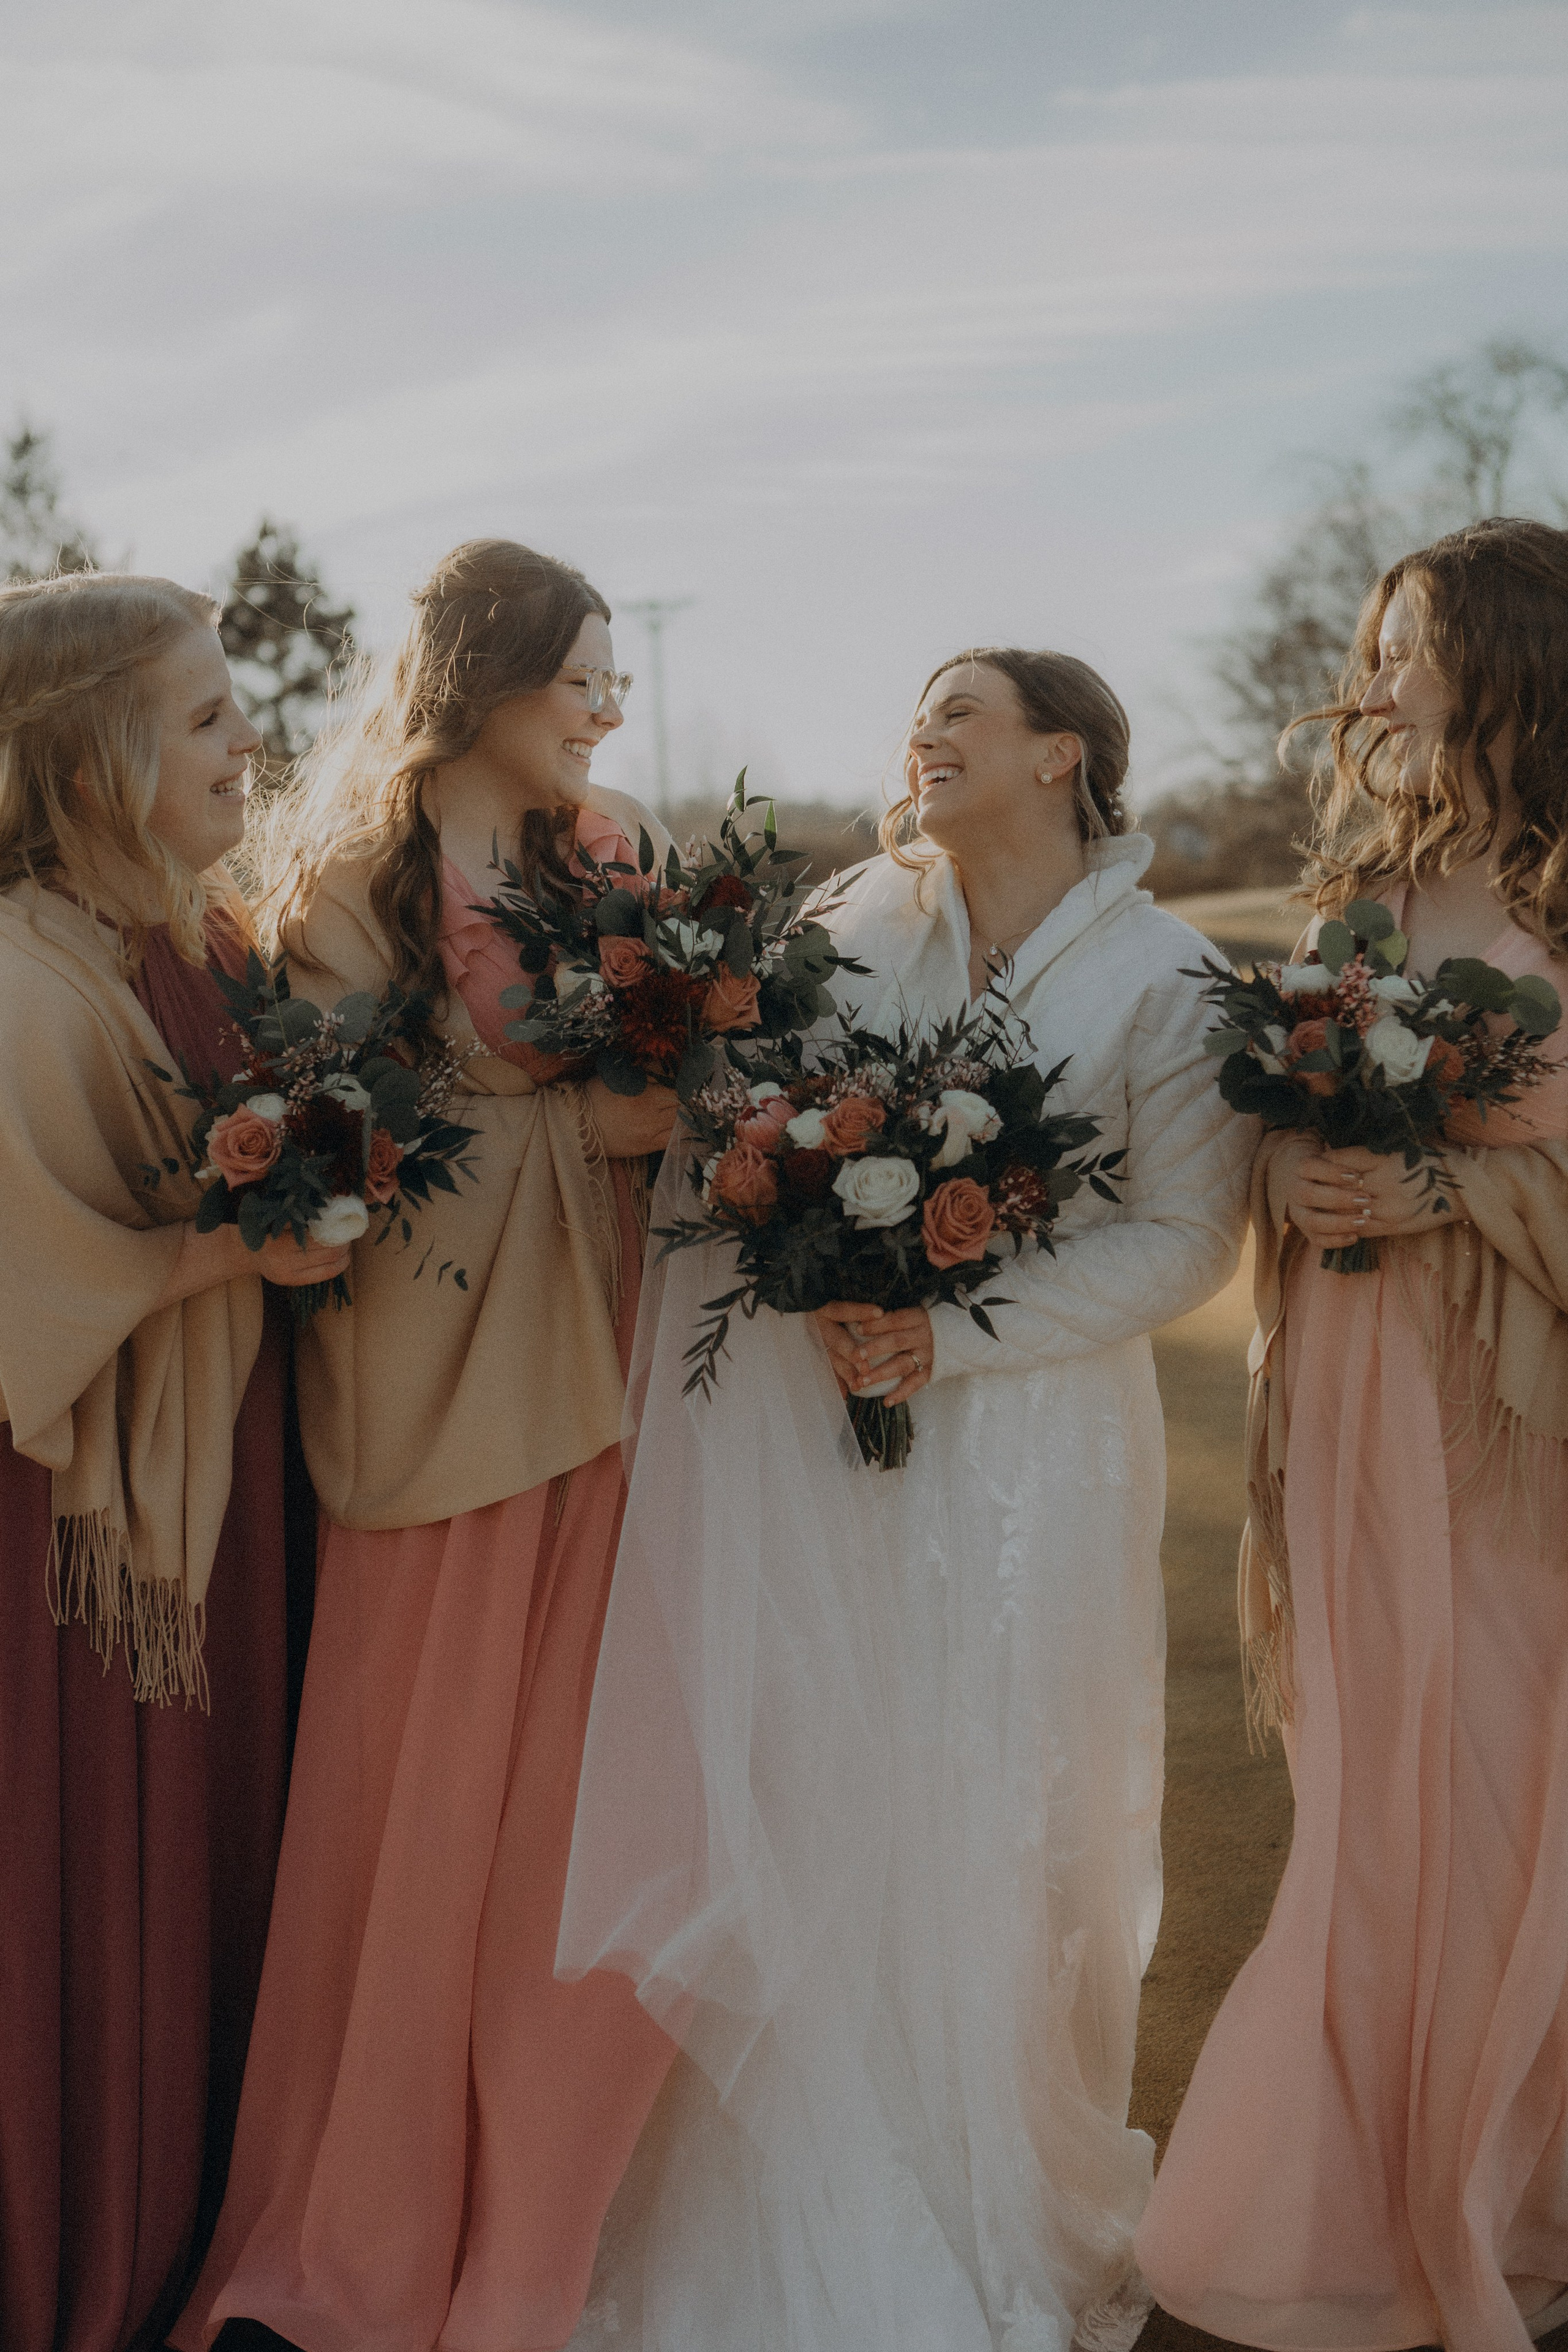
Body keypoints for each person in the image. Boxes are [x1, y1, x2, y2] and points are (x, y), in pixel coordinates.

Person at [557, 646, 1254, 2351]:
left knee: (1013, 1796)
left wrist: (959, 1329)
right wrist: (809, 1249)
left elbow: (1186, 1238)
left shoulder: (1168, 974)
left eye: (963, 713)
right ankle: (821, 2182)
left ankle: (995, 2177)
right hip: (832, 1427)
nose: (922, 738)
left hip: (1037, 1447)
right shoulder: (847, 929)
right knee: (833, 1788)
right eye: (917, 719)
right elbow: (745, 1134)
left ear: (1062, 754)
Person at [173, 540, 679, 2352]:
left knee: (576, 1807)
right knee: (415, 1799)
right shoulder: (353, 880)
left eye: (616, 680)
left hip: (614, 1343)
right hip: (435, 1363)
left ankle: (542, 2240)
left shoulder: (623, 849)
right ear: (485, 679)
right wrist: (567, 1109)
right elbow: (346, 1140)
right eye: (580, 676)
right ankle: (361, 2240)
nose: (606, 709)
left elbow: (664, 1088)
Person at [1136, 518, 1568, 2350]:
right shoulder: (1361, 902)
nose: (1373, 674)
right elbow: (1277, 1137)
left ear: (1508, 658)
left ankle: (1519, 2189)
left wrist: (1455, 1192)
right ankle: (1380, 2194)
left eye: (1407, 642)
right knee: (1377, 1791)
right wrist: (1299, 1179)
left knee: (1515, 1787)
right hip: (1357, 1395)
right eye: (1374, 646)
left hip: (1517, 1417)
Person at [0, 572, 345, 2352]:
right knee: (98, 1890)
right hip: (78, 1537)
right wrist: (224, 1253)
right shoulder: (17, 970)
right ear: (89, 757)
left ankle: (218, 2229)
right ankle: (86, 2248)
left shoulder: (204, 940)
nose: (246, 743)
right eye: (204, 716)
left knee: (226, 1865)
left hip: (234, 1491)